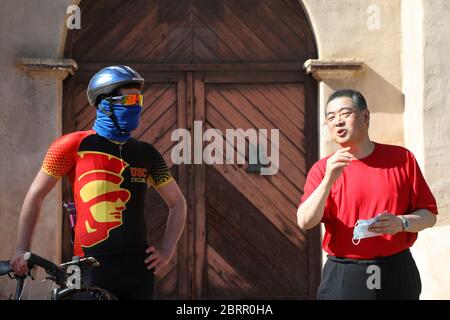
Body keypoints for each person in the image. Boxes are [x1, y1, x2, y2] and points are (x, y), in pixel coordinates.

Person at [10, 65, 187, 299]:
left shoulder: (147, 154)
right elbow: (36, 194)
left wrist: (167, 250)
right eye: (130, 98)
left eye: (139, 99)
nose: (136, 105)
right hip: (89, 270)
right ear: (105, 102)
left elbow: (178, 203)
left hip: (139, 270)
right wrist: (21, 248)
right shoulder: (71, 145)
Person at [297, 89, 438, 300]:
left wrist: (401, 222)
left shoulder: (402, 159)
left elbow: (429, 215)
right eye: (331, 118)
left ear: (365, 116)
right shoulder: (322, 169)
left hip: (396, 269)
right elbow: (305, 221)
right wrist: (328, 180)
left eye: (345, 113)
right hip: (345, 274)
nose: (338, 122)